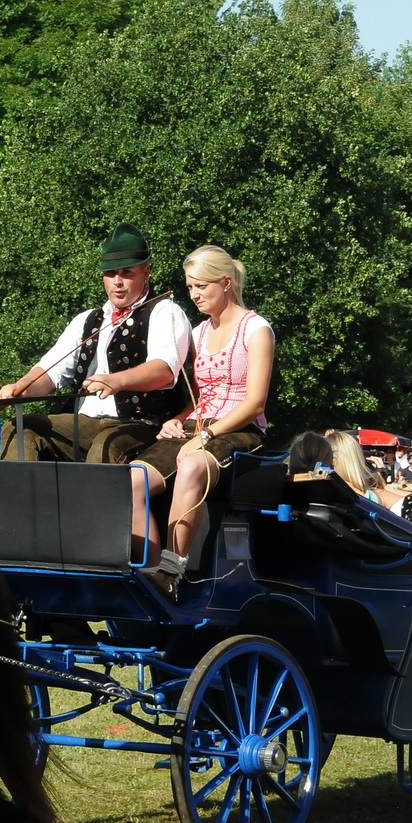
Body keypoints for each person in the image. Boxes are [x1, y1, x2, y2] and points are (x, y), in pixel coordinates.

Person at [130, 245, 273, 585]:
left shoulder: (256, 329)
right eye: (190, 287)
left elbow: (255, 403)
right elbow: (200, 397)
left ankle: (171, 570)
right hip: (199, 424)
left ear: (225, 282)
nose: (193, 295)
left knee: (193, 464)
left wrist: (206, 436)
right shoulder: (198, 332)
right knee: (132, 478)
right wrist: (178, 418)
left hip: (242, 428)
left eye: (201, 286)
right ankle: (148, 574)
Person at [0, 222, 192, 464]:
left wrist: (116, 380)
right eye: (110, 274)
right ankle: (22, 500)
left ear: (146, 272)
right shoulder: (87, 320)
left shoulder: (165, 312)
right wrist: (21, 387)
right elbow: (51, 371)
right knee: (20, 427)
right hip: (84, 422)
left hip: (143, 423)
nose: (117, 281)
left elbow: (164, 370)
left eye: (126, 272)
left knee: (104, 446)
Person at [326, 429, 402, 508]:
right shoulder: (369, 496)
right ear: (356, 458)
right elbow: (408, 504)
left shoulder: (318, 491)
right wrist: (383, 486)